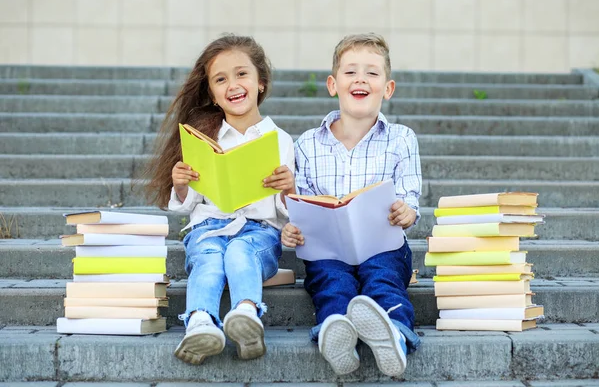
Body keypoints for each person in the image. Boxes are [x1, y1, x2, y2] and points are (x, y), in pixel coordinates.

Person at [143, 34, 295, 365]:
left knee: (242, 251)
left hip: (260, 232)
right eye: (220, 79)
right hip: (209, 227)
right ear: (212, 94)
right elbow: (186, 204)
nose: (233, 85)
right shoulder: (204, 140)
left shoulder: (280, 140)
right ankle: (199, 322)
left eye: (242, 74)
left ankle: (247, 317)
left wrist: (288, 188)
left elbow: (288, 212)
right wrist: (180, 183)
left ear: (260, 83)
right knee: (209, 257)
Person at [282, 33, 422, 377]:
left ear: (387, 89)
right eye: (350, 72)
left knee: (383, 280)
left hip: (383, 246)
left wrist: (407, 211)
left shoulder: (402, 138)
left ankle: (396, 335)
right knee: (331, 283)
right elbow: (303, 202)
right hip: (329, 249)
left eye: (372, 73)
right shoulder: (307, 144)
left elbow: (410, 195)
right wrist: (293, 229)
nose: (361, 79)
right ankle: (335, 333)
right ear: (333, 84)